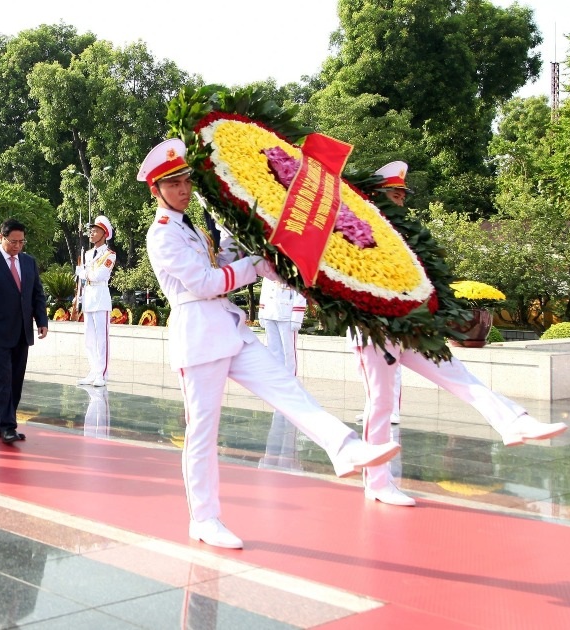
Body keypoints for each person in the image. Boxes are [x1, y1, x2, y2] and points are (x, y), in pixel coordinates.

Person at [139, 138, 401, 549]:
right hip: (199, 335)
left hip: (228, 327)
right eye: (173, 184)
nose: (184, 189)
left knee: (285, 386)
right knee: (203, 432)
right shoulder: (162, 234)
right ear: (155, 191)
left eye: (186, 180)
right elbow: (205, 283)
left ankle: (344, 446)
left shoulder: (190, 225)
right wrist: (256, 264)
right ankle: (204, 519)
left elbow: (217, 267)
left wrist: (232, 240)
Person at [354, 161, 568, 507]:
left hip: (411, 326)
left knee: (459, 374)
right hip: (374, 328)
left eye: (402, 195)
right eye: (394, 194)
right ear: (377, 196)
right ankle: (377, 482)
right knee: (379, 403)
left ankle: (514, 421)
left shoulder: (405, 234)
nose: (401, 200)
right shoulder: (359, 228)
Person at [0, 219, 48, 445]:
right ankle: (7, 426)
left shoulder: (28, 262)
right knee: (2, 378)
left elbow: (37, 294)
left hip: (22, 331)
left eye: (21, 242)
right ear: (1, 238)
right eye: (13, 241)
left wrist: (41, 320)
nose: (17, 246)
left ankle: (4, 421)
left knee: (16, 380)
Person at [75, 215, 117, 387]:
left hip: (100, 297)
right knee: (89, 338)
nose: (91, 233)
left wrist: (83, 273)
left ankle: (102, 373)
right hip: (89, 298)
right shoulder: (88, 254)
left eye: (96, 230)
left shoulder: (109, 254)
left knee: (101, 338)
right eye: (91, 230)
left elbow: (99, 275)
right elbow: (84, 279)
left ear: (104, 233)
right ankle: (93, 370)